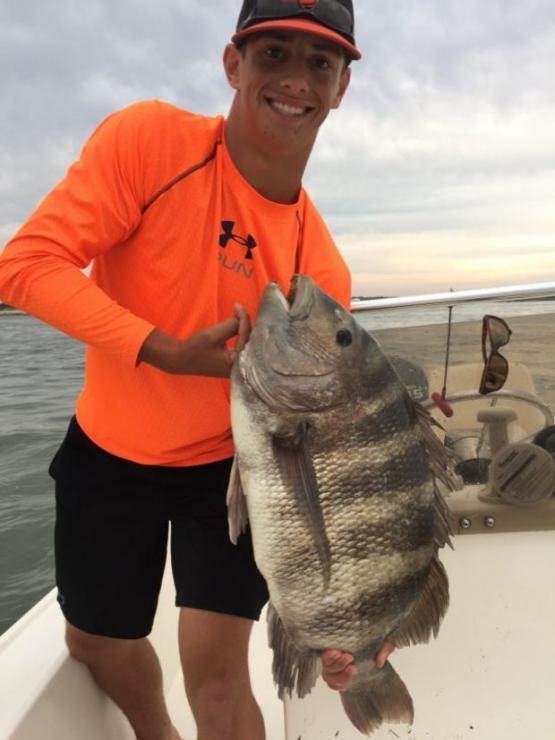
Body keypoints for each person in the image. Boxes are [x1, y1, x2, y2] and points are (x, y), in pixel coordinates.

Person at [0, 1, 394, 738]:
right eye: (273, 52)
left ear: (341, 87)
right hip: (109, 452)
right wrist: (161, 350)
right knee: (93, 642)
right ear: (232, 63)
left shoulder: (321, 276)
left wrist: (357, 620)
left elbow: (340, 462)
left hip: (235, 472)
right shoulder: (149, 142)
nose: (295, 79)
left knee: (216, 674)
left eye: (320, 62)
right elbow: (24, 266)